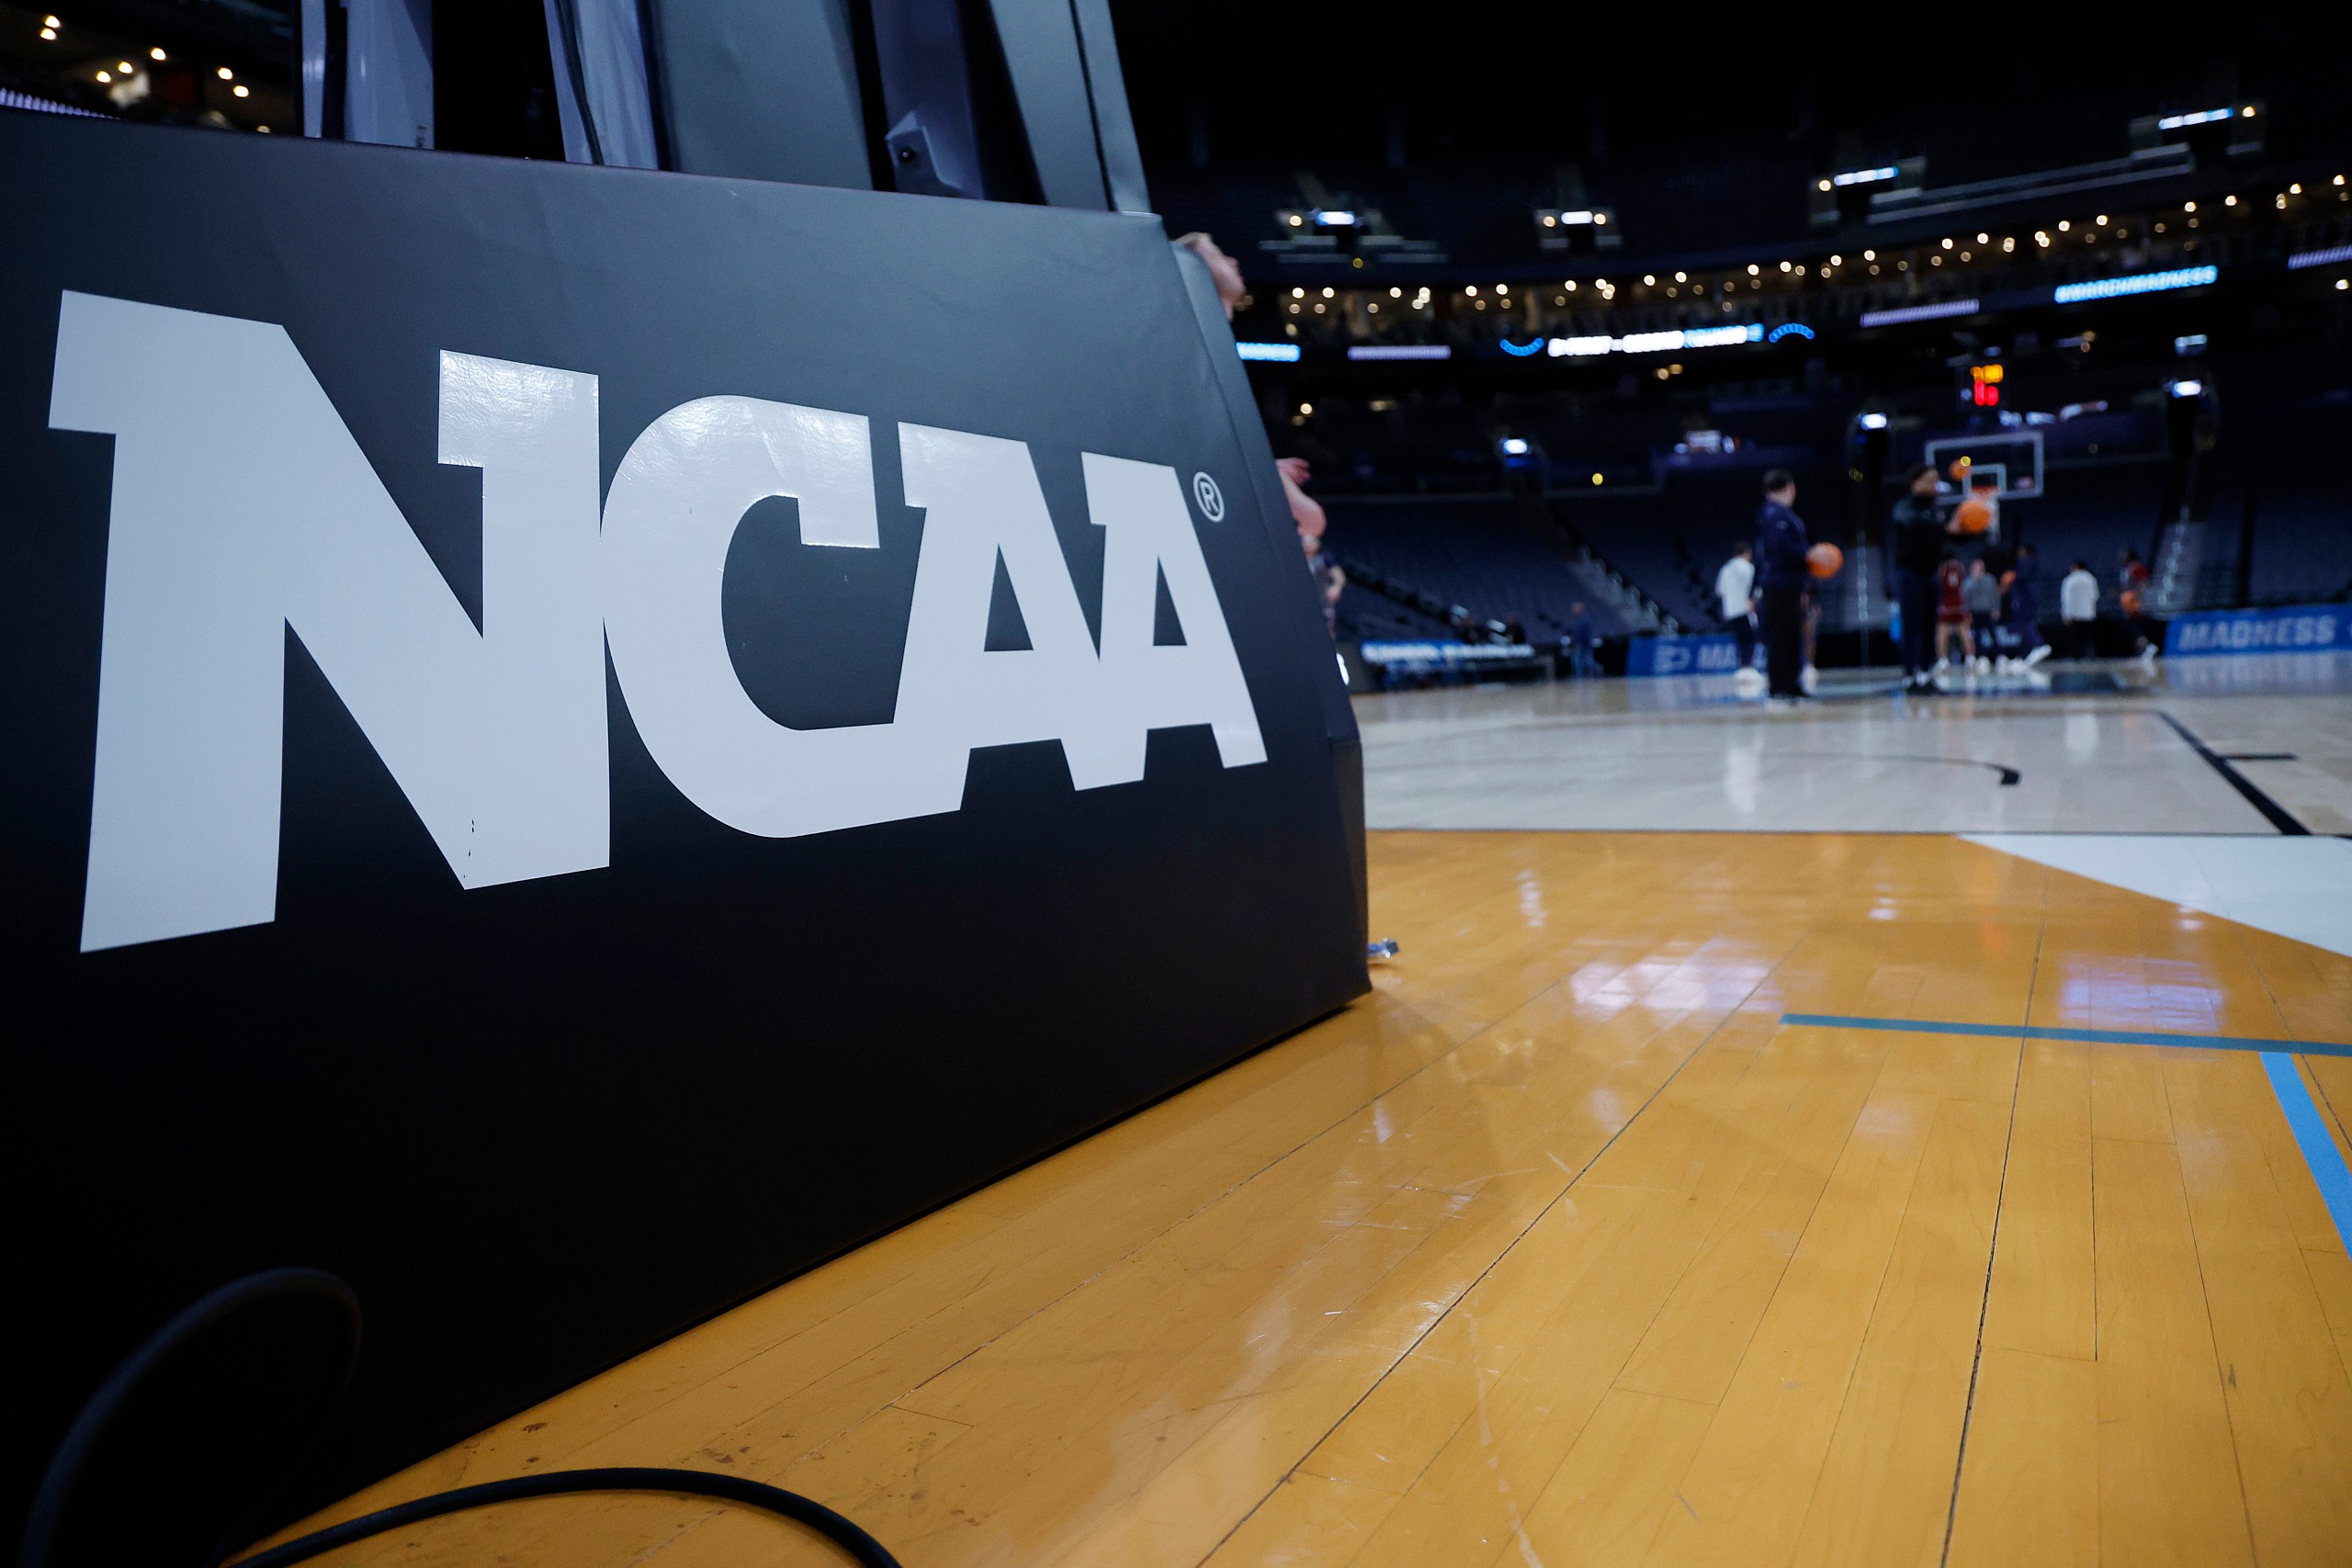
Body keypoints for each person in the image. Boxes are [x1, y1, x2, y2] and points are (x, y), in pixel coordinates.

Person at [1889, 462, 1949, 691]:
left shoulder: (1936, 509)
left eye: (1936, 480)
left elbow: (1947, 538)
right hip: (1908, 573)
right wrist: (1943, 528)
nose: (1935, 485)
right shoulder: (1905, 507)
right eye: (1930, 480)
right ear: (1916, 484)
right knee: (1911, 624)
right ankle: (1910, 674)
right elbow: (1912, 523)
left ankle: (1926, 672)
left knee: (1928, 626)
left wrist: (1966, 529)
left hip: (1930, 573)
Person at [1754, 469, 1810, 703]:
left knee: (1789, 634)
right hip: (1779, 585)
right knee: (1781, 634)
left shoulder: (1778, 515)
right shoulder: (1775, 515)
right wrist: (1810, 555)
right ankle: (1780, 684)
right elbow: (1783, 549)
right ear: (1790, 488)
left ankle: (1790, 682)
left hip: (1786, 583)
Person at [2002, 543, 2050, 669]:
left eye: (2021, 550)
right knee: (2022, 626)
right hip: (2029, 597)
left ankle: (2039, 644)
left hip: (2026, 598)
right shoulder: (2031, 563)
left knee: (2025, 622)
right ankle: (2022, 656)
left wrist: (2011, 578)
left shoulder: (2025, 562)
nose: (2019, 553)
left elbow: (2019, 579)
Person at [1714, 542, 1758, 675]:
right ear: (1746, 553)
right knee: (1749, 639)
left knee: (1740, 639)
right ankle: (1747, 668)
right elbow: (1757, 588)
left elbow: (1719, 591)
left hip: (1731, 610)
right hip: (1746, 609)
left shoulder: (1725, 569)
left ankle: (1742, 668)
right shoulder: (1748, 568)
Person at [1933, 550, 1972, 672]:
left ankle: (1943, 660)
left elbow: (1938, 585)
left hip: (1946, 605)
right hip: (1959, 604)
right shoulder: (1960, 567)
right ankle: (1971, 658)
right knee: (1964, 632)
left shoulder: (1942, 569)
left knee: (1942, 633)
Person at [2118, 547, 2156, 662]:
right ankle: (2141, 648)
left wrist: (2137, 598)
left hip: (2136, 602)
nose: (2121, 557)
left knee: (2132, 623)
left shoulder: (2137, 567)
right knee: (2132, 624)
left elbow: (2144, 583)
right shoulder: (2127, 569)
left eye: (2124, 555)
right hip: (2129, 601)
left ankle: (2147, 646)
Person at [1962, 558, 1999, 675]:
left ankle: (2000, 656)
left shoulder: (1990, 579)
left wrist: (1996, 608)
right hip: (1974, 612)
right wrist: (1966, 612)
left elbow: (1995, 595)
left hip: (1987, 611)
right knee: (1976, 637)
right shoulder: (1968, 582)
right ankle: (1980, 657)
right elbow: (1965, 597)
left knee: (1993, 634)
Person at [2060, 558, 2099, 659]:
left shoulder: (2069, 580)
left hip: (2074, 614)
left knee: (2075, 638)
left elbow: (2066, 599)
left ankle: (2075, 656)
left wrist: (2066, 614)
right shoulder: (2091, 579)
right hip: (2088, 613)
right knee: (2087, 637)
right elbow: (2095, 596)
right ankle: (2089, 655)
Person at [1563, 602, 1598, 677]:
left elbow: (1582, 635)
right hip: (1580, 645)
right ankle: (1580, 678)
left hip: (1584, 645)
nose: (1573, 610)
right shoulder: (1578, 620)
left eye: (1575, 608)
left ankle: (1598, 672)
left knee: (1587, 661)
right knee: (1578, 663)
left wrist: (1576, 644)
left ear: (1581, 609)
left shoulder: (1584, 621)